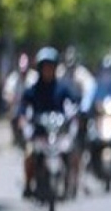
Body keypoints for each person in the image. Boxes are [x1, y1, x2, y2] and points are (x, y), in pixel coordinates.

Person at [14, 47, 82, 199]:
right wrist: (22, 120)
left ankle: (72, 182)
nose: (48, 70)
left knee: (72, 151)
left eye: (50, 67)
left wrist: (77, 113)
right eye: (45, 67)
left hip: (59, 133)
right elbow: (22, 107)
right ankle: (28, 184)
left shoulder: (63, 88)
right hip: (40, 134)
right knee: (29, 154)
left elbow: (75, 101)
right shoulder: (33, 90)